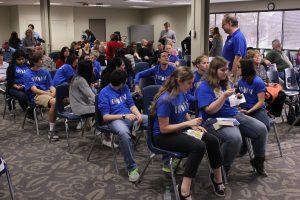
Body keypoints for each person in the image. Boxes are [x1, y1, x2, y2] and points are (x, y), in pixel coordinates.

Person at [150, 67, 225, 198]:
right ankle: (184, 189)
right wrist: (188, 124)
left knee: (212, 140)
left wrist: (193, 125)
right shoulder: (165, 100)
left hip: (180, 130)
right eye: (189, 83)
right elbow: (164, 128)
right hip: (163, 136)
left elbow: (184, 113)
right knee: (199, 146)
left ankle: (217, 179)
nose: (191, 87)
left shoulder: (182, 93)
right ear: (179, 81)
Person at [196, 56, 268, 177]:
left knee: (262, 129)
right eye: (222, 70)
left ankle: (258, 161)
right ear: (214, 70)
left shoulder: (226, 83)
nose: (226, 72)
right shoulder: (204, 86)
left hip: (234, 115)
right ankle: (222, 169)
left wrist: (237, 99)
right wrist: (223, 97)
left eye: (226, 70)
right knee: (235, 139)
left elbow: (232, 102)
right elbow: (209, 110)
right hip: (213, 120)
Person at [98, 69, 148, 182]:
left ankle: (159, 152)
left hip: (129, 116)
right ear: (121, 82)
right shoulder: (104, 93)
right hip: (115, 119)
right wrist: (124, 116)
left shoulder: (124, 88)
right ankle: (132, 168)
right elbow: (105, 117)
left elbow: (131, 104)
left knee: (152, 120)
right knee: (124, 134)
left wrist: (138, 114)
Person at [24, 52, 58, 141]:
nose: (42, 61)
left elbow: (51, 85)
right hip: (37, 96)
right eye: (40, 60)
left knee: (65, 97)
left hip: (47, 93)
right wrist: (49, 94)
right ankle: (51, 131)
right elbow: (34, 90)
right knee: (54, 102)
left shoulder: (45, 71)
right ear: (35, 62)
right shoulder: (28, 73)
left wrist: (53, 92)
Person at [237, 59, 270, 131]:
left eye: (239, 67)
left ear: (245, 69)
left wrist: (249, 111)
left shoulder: (258, 82)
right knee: (237, 126)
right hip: (243, 109)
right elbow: (240, 97)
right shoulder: (240, 81)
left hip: (256, 110)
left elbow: (261, 102)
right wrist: (238, 104)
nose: (237, 69)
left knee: (265, 127)